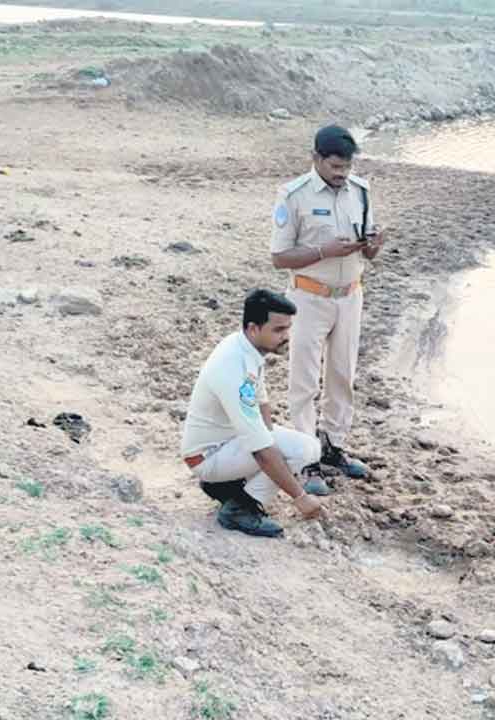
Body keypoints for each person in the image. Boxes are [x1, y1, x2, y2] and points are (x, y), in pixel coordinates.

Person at [269, 124, 387, 493]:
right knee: (304, 380)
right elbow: (279, 257)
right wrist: (323, 251)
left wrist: (373, 246)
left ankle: (334, 446)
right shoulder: (294, 195)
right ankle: (306, 459)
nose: (341, 174)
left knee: (342, 375)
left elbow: (366, 248)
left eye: (347, 167)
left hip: (350, 295)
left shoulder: (361, 191)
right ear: (316, 158)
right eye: (335, 166)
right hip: (308, 297)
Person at [180, 289, 326, 538]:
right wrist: (300, 497)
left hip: (225, 443)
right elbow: (261, 450)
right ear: (253, 328)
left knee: (302, 447)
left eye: (288, 328)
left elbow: (261, 401)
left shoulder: (245, 347)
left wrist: (271, 438)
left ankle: (230, 487)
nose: (286, 337)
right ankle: (239, 508)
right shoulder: (233, 365)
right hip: (208, 456)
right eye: (278, 330)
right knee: (298, 451)